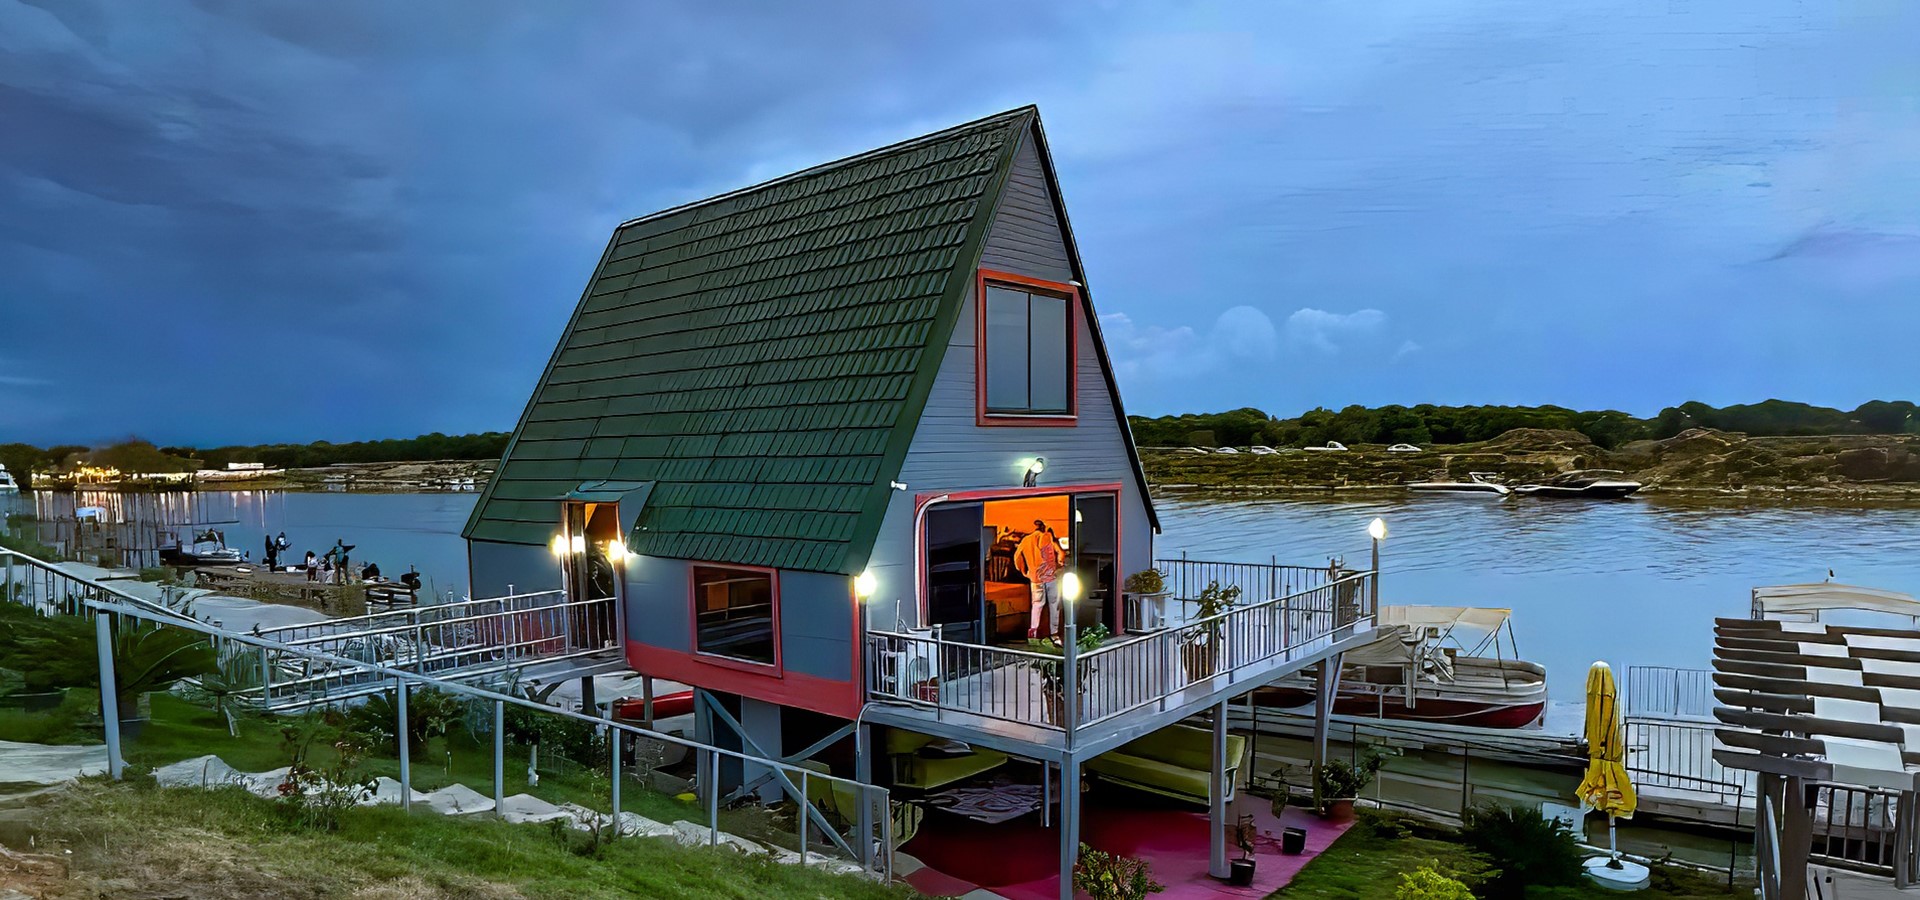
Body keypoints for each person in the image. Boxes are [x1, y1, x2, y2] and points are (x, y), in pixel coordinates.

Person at [1015, 519, 1063, 644]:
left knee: (1037, 605)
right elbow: (1058, 554)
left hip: (1035, 578)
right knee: (1054, 605)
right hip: (1050, 577)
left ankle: (1033, 633)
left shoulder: (1026, 540)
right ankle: (1054, 634)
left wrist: (1024, 571)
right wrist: (1059, 564)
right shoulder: (1046, 537)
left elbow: (1017, 557)